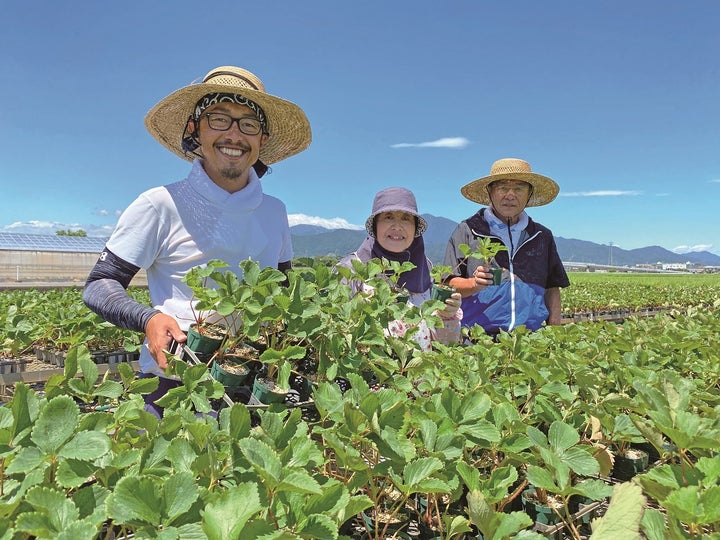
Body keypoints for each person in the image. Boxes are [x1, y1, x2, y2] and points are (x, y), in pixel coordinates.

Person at [83, 66, 311, 417]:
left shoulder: (274, 211)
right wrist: (148, 319)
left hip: (254, 391)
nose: (234, 135)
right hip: (173, 384)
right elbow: (100, 284)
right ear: (195, 130)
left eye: (248, 124)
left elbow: (285, 291)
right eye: (219, 119)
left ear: (262, 140)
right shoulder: (160, 204)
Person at [443, 158, 569, 335]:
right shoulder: (468, 230)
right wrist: (473, 284)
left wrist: (554, 331)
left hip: (531, 338)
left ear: (529, 193)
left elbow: (552, 287)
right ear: (490, 191)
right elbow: (447, 283)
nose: (510, 195)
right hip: (476, 338)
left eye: (518, 189)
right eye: (502, 187)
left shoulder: (541, 236)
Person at [337, 187, 462, 350]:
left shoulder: (426, 267)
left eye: (406, 218)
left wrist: (447, 314)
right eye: (388, 217)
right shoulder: (351, 269)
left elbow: (444, 345)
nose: (397, 226)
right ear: (375, 225)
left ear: (415, 228)